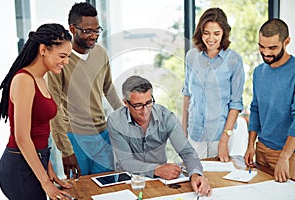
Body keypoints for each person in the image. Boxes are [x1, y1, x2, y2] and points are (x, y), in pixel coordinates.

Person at [0, 23, 73, 200]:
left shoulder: (40, 78)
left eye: (68, 57)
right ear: (43, 49)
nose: (66, 62)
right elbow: (22, 137)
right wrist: (45, 182)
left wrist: (49, 168)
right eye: (62, 56)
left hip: (36, 161)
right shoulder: (24, 79)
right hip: (20, 167)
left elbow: (39, 131)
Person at [47, 2, 123, 178]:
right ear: (72, 29)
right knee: (80, 190)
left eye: (97, 30)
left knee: (107, 188)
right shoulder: (61, 60)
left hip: (102, 135)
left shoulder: (101, 53)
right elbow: (54, 107)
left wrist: (126, 117)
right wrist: (66, 150)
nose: (94, 36)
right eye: (88, 31)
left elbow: (108, 88)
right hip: (75, 137)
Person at [107, 75, 212, 197]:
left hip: (161, 181)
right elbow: (126, 161)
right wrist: (156, 170)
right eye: (138, 105)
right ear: (125, 103)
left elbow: (187, 152)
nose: (145, 110)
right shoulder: (115, 121)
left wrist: (196, 175)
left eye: (148, 103)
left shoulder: (166, 117)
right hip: (128, 182)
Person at [182, 7, 245, 161]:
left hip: (220, 136)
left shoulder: (234, 60)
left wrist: (224, 139)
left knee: (219, 181)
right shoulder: (191, 56)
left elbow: (235, 104)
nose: (211, 38)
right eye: (206, 33)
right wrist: (183, 130)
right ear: (200, 32)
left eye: (216, 33)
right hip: (195, 134)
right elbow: (187, 94)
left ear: (224, 33)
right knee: (194, 180)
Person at [244, 19, 295, 182]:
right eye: (261, 46)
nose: (265, 52)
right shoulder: (259, 72)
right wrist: (251, 145)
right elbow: (256, 109)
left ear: (286, 42)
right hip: (261, 150)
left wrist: (284, 156)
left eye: (272, 48)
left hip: (287, 155)